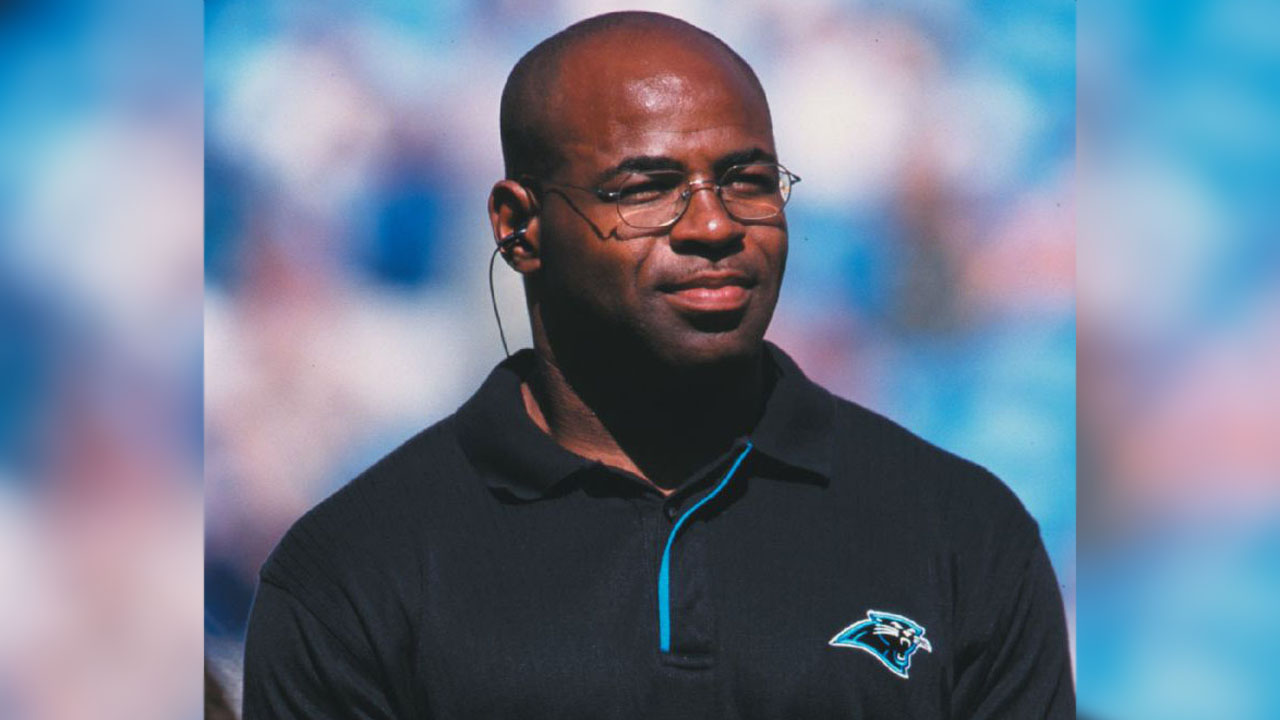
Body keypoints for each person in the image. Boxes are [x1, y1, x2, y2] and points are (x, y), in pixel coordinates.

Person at [242, 11, 1074, 719]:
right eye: (647, 187)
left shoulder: (962, 534)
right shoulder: (356, 569)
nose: (714, 225)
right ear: (518, 226)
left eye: (748, 181)